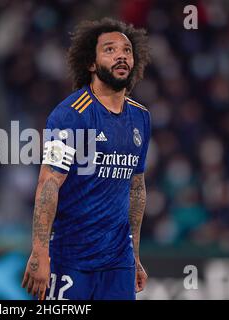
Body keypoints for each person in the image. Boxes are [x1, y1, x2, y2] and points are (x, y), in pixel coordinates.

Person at [22, 17, 152, 300]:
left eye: (127, 50)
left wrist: (135, 255)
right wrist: (40, 253)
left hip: (119, 263)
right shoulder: (71, 114)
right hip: (72, 261)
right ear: (91, 63)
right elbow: (49, 183)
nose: (121, 55)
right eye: (109, 49)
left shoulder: (141, 117)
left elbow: (136, 188)